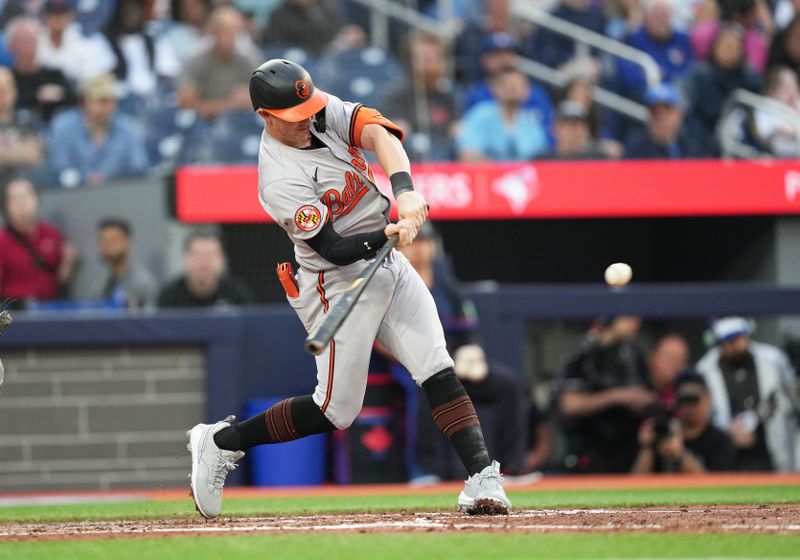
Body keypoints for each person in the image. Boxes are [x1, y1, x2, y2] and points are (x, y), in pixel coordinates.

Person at [186, 59, 511, 519]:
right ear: (265, 116)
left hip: (387, 260)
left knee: (437, 366)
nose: (306, 120)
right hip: (334, 282)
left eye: (307, 107)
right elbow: (335, 249)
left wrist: (405, 192)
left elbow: (380, 134)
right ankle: (222, 441)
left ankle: (483, 478)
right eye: (293, 117)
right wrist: (386, 235)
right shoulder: (279, 179)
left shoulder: (319, 110)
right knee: (335, 410)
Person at [396, 222, 526, 480]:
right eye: (413, 242)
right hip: (412, 365)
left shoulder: (447, 286)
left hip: (454, 364)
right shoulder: (394, 283)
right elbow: (381, 336)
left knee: (507, 385)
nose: (419, 248)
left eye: (425, 241)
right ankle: (428, 471)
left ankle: (509, 466)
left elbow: (468, 329)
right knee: (428, 383)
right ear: (400, 248)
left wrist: (472, 355)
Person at [696, 316, 799, 471]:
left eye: (741, 337)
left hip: (767, 438)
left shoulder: (773, 358)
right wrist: (727, 429)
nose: (738, 344)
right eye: (730, 340)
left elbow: (791, 396)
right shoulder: (705, 368)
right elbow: (704, 412)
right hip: (728, 442)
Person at [557, 316, 655, 473]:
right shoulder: (583, 352)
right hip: (591, 447)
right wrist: (619, 396)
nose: (636, 323)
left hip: (628, 446)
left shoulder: (633, 353)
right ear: (611, 318)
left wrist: (642, 401)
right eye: (629, 316)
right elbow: (570, 404)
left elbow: (648, 394)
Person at [49, 73, 150, 188]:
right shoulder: (64, 127)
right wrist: (83, 178)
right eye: (101, 101)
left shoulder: (128, 128)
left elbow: (139, 169)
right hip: (76, 196)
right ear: (84, 102)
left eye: (112, 101)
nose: (108, 107)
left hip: (119, 195)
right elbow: (60, 169)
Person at [632, 369, 738, 473]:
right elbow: (636, 484)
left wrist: (681, 455)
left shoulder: (720, 440)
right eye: (683, 400)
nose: (688, 407)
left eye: (693, 399)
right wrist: (647, 447)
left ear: (708, 399)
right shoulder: (665, 433)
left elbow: (716, 486)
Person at [382, 32, 460, 162]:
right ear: (411, 61)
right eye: (423, 58)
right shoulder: (396, 93)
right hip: (407, 159)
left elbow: (457, 128)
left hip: (444, 159)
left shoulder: (448, 94)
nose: (427, 64)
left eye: (432, 58)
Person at [685, 24, 763, 153]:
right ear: (715, 47)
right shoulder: (700, 74)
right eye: (725, 45)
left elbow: (752, 114)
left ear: (741, 51)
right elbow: (696, 112)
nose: (728, 50)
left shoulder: (750, 79)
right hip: (703, 134)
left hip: (737, 135)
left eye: (733, 46)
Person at [0, 177, 76, 307]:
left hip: (49, 308)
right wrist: (5, 322)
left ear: (37, 199)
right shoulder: (2, 240)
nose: (22, 203)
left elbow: (61, 279)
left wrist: (68, 262)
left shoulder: (51, 234)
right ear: (6, 206)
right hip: (13, 311)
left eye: (26, 196)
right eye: (15, 198)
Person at [177, 6, 259, 120]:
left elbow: (260, 103)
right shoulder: (195, 58)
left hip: (238, 122)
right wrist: (233, 103)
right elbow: (187, 103)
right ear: (212, 32)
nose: (228, 38)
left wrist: (211, 107)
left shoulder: (249, 58)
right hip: (203, 123)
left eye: (234, 32)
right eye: (223, 31)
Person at [457, 67, 550, 161]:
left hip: (526, 175)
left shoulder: (532, 124)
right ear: (496, 89)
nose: (514, 89)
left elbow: (541, 160)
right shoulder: (480, 115)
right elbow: (467, 155)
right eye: (509, 85)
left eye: (519, 85)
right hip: (488, 174)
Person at [613, 0, 694, 104]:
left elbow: (690, 71)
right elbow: (627, 71)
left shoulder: (681, 40)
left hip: (676, 98)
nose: (662, 21)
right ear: (647, 16)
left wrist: (665, 74)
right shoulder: (634, 38)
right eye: (657, 16)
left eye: (665, 16)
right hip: (643, 97)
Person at [158, 230, 253, 308]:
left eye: (210, 255)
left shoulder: (237, 294)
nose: (204, 262)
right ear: (186, 258)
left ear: (222, 259)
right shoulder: (170, 297)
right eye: (197, 255)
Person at [6, 16, 75, 123]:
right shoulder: (6, 77)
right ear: (10, 46)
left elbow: (71, 99)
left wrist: (59, 95)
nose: (28, 47)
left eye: (32, 41)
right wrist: (38, 96)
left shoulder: (55, 75)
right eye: (23, 41)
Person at [37, 0, 115, 84]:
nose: (58, 19)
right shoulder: (35, 39)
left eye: (62, 14)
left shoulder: (83, 38)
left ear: (70, 16)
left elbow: (103, 68)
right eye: (53, 14)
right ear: (45, 17)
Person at [624, 84, 710, 158]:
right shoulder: (637, 146)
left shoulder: (692, 144)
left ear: (678, 113)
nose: (661, 117)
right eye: (655, 112)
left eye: (665, 111)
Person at [91, 218, 158, 310]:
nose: (106, 245)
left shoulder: (144, 284)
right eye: (102, 240)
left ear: (128, 242)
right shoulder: (99, 287)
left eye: (113, 240)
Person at [0, 67, 44, 181]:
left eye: (6, 88)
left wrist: (4, 154)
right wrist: (20, 152)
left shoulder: (27, 119)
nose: (3, 94)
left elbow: (34, 155)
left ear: (15, 91)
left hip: (25, 187)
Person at [261, 0, 343, 55]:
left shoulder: (324, 8)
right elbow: (275, 46)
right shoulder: (280, 14)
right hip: (299, 62)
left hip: (331, 58)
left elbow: (336, 29)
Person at [752, 65, 800, 157]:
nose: (792, 91)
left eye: (795, 85)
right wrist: (778, 129)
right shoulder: (767, 106)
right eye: (787, 87)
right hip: (778, 158)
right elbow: (761, 132)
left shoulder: (798, 101)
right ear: (772, 90)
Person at [539, 100, 609, 160]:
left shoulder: (598, 160)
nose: (572, 131)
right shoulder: (542, 160)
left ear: (586, 129)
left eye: (577, 125)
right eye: (566, 125)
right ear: (554, 129)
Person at [648, 333, 690, 410]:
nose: (676, 365)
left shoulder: (686, 396)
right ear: (653, 359)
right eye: (670, 358)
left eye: (681, 360)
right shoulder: (637, 387)